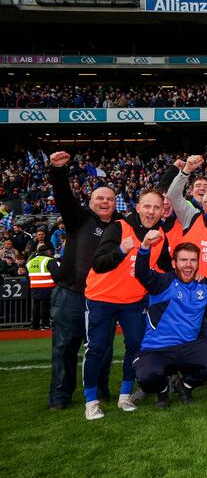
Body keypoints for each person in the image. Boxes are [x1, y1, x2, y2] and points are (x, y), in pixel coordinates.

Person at [83, 190, 172, 420]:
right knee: (97, 348)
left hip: (133, 301)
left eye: (156, 208)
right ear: (138, 207)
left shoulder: (160, 234)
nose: (151, 212)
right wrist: (121, 250)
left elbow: (166, 269)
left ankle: (125, 395)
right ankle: (91, 401)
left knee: (134, 346)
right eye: (147, 206)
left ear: (162, 211)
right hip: (102, 297)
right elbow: (99, 263)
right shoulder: (119, 227)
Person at [47, 151, 119, 410]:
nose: (104, 202)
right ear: (90, 201)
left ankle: (99, 391)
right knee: (64, 347)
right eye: (99, 198)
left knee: (102, 349)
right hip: (71, 294)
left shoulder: (121, 225)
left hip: (103, 298)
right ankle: (59, 396)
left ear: (116, 203)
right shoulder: (78, 219)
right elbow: (64, 197)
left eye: (110, 199)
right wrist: (57, 171)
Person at [132, 238, 207, 409]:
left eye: (193, 260)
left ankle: (184, 385)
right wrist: (144, 247)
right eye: (183, 260)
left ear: (198, 264)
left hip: (189, 348)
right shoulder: (162, 282)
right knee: (146, 376)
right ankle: (163, 389)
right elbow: (142, 273)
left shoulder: (204, 285)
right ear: (174, 263)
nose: (188, 265)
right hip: (158, 349)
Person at [26, 243, 55, 330]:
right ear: (46, 251)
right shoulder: (48, 260)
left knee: (36, 305)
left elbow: (27, 275)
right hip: (47, 286)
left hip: (34, 286)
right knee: (45, 306)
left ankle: (34, 325)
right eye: (49, 250)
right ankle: (45, 324)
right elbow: (56, 274)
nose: (50, 252)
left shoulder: (30, 261)